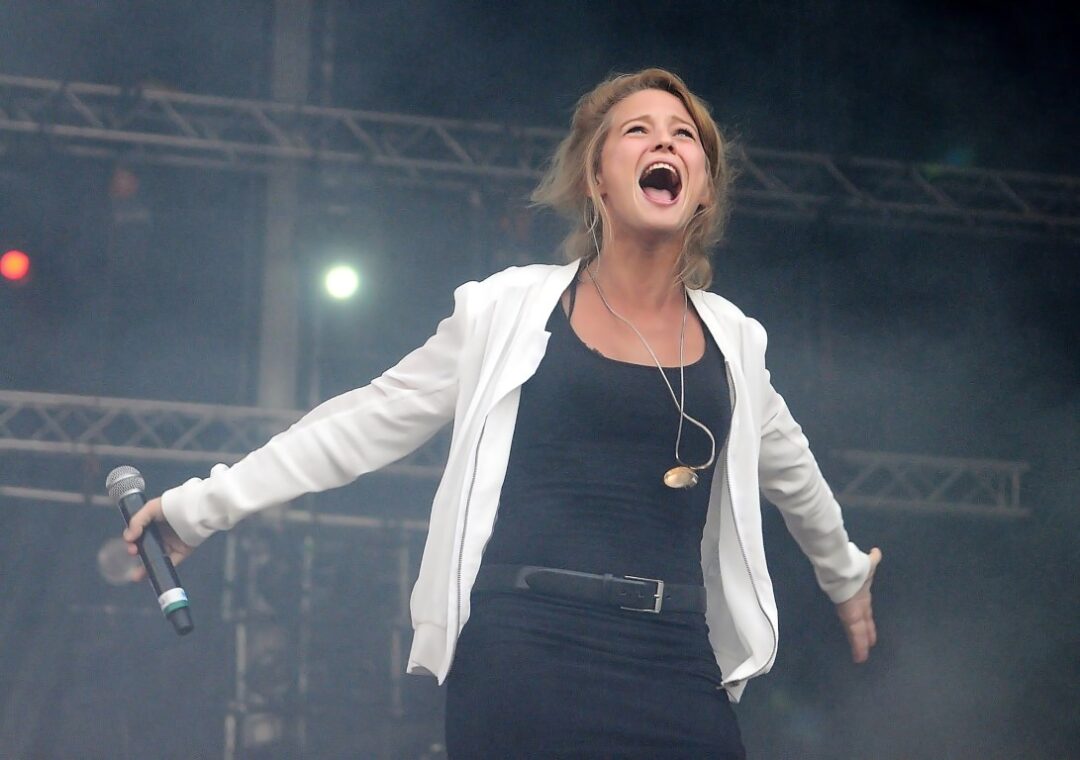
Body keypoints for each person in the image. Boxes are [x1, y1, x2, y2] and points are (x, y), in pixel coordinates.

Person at [124, 68, 881, 758]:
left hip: (675, 656)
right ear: (596, 177)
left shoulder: (735, 342)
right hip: (525, 648)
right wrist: (200, 507)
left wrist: (846, 576)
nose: (664, 143)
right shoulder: (507, 309)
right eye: (637, 130)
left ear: (705, 188)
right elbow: (363, 421)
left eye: (684, 135)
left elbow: (797, 476)